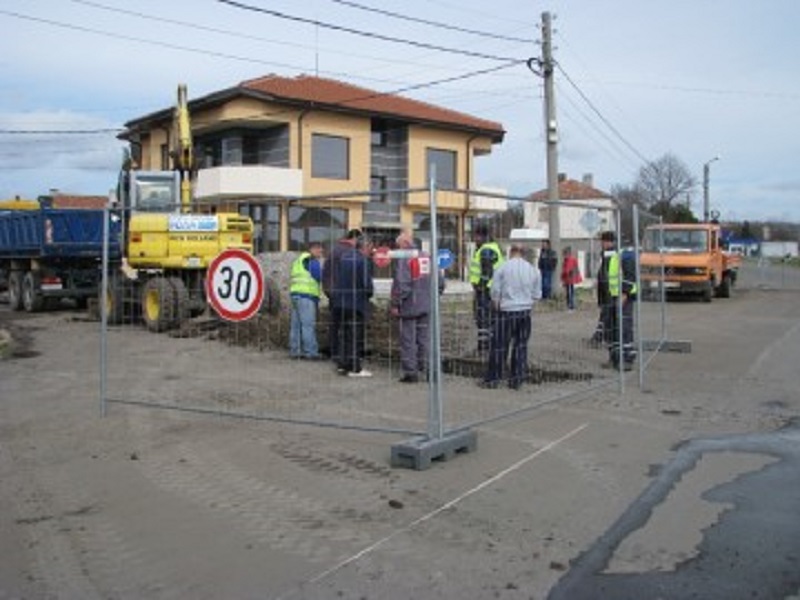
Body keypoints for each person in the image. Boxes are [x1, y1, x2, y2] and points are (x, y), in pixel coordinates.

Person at [479, 244, 542, 390]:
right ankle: (517, 379)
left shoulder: (502, 268)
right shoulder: (533, 270)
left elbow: (495, 290)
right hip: (525, 311)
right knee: (520, 346)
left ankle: (493, 378)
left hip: (506, 310)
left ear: (511, 252)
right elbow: (537, 294)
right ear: (523, 253)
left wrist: (496, 302)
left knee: (499, 346)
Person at [390, 228, 444, 383]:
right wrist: (432, 297)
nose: (398, 249)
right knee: (425, 339)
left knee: (408, 339)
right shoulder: (428, 257)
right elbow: (440, 283)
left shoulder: (406, 258)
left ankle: (411, 373)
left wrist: (395, 303)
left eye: (399, 245)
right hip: (427, 305)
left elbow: (402, 284)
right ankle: (430, 371)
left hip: (409, 306)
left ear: (405, 243)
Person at [334, 234, 374, 377]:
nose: (371, 251)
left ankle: (343, 365)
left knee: (344, 335)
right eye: (370, 248)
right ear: (365, 247)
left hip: (340, 302)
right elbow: (366, 285)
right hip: (355, 303)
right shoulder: (362, 260)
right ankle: (355, 368)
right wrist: (369, 295)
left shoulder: (344, 257)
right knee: (355, 336)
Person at [598, 230, 637, 371]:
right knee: (612, 329)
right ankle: (615, 358)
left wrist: (625, 294)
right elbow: (604, 277)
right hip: (611, 297)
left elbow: (630, 276)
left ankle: (627, 359)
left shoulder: (625, 254)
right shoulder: (609, 254)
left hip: (622, 298)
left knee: (624, 328)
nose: (602, 244)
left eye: (603, 241)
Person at [322, 229, 361, 363]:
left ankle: (334, 352)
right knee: (346, 325)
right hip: (343, 293)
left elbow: (327, 273)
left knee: (335, 323)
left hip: (333, 292)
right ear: (354, 239)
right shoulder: (348, 252)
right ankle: (342, 356)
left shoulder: (336, 250)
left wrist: (329, 291)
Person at [469, 224, 504, 354]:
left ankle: (484, 347)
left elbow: (486, 272)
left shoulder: (486, 250)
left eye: (476, 236)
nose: (475, 239)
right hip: (492, 290)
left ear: (482, 236)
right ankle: (491, 345)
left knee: (483, 319)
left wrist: (479, 287)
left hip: (485, 291)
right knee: (491, 319)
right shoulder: (492, 248)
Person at [289, 242, 324, 359]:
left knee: (296, 326)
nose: (321, 251)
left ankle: (295, 351)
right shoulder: (312, 261)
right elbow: (319, 276)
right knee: (308, 325)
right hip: (306, 297)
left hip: (295, 296)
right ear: (312, 249)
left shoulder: (298, 261)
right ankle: (311, 352)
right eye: (319, 249)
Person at [560, 246, 582, 311]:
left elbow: (569, 270)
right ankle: (570, 305)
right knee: (569, 292)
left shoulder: (570, 260)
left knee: (570, 292)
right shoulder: (567, 260)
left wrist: (565, 276)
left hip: (570, 278)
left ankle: (571, 306)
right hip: (568, 279)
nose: (564, 255)